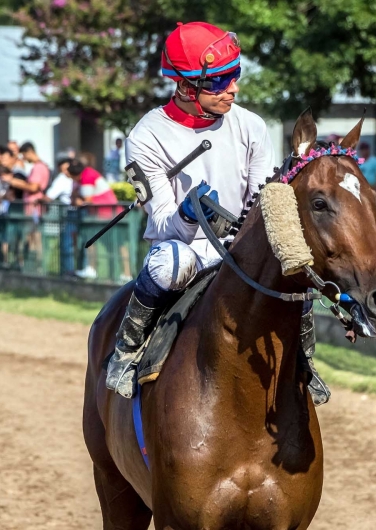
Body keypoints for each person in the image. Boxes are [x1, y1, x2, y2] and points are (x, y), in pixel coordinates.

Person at [105, 22, 333, 405]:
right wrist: (188, 215)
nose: (233, 88)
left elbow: (264, 203)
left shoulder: (252, 126)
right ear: (183, 86)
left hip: (240, 247)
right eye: (219, 82)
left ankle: (304, 363)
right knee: (168, 265)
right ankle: (126, 352)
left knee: (293, 260)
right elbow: (161, 220)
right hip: (183, 247)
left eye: (235, 75)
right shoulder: (144, 138)